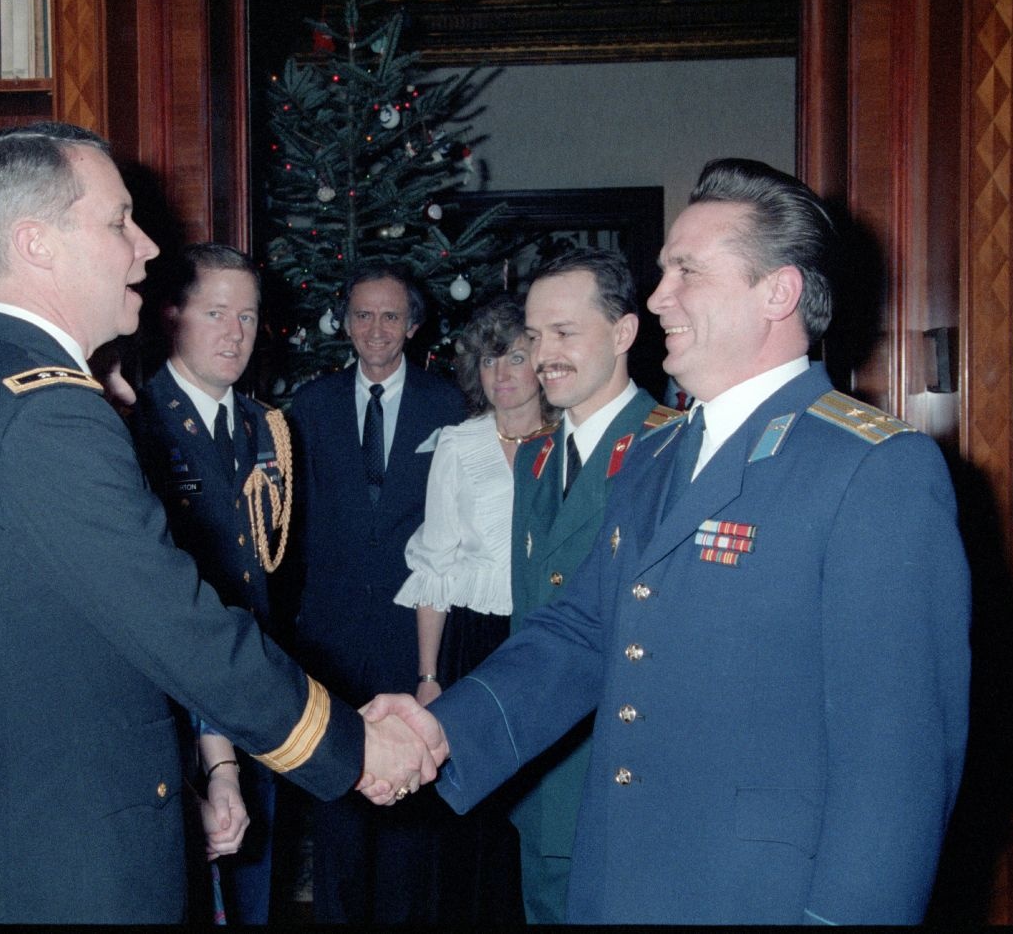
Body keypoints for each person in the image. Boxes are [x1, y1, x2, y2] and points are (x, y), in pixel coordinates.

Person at [366, 158, 972, 924]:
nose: (658, 298)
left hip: (759, 898)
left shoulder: (872, 469)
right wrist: (441, 727)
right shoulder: (656, 454)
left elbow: (899, 767)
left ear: (777, 292)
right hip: (618, 876)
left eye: (687, 271)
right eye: (662, 273)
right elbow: (582, 633)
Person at [0, 122, 435, 924]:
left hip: (12, 842)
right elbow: (178, 624)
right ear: (36, 244)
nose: (145, 249)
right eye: (117, 223)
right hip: (66, 867)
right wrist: (351, 745)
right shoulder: (48, 417)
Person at [494, 246, 674, 922]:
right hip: (541, 776)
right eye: (535, 336)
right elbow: (528, 624)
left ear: (624, 333)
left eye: (565, 332)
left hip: (621, 778)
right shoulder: (535, 460)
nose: (543, 355)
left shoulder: (669, 449)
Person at [287, 267, 468, 923]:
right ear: (345, 322)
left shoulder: (447, 407)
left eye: (391, 317)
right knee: (338, 799)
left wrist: (434, 669)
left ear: (413, 325)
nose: (376, 330)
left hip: (409, 634)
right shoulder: (309, 407)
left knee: (409, 807)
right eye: (363, 315)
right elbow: (294, 527)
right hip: (329, 637)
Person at [129, 243, 290, 923]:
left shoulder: (264, 426)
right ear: (173, 317)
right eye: (216, 312)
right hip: (174, 704)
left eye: (248, 317)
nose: (235, 334)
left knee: (256, 886)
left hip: (254, 689)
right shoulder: (138, 422)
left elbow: (269, 570)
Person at [392, 293, 552, 924]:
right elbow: (434, 565)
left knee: (537, 801)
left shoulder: (571, 440)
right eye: (488, 362)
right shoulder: (457, 445)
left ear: (540, 361)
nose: (501, 375)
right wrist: (429, 677)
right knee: (473, 806)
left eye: (514, 357)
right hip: (472, 644)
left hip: (543, 635)